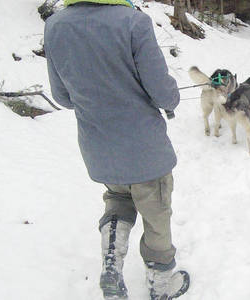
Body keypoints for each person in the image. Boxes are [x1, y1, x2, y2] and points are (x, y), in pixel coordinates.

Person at [44, 1, 187, 299]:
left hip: (98, 146)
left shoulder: (55, 26)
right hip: (144, 149)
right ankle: (160, 286)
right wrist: (171, 99)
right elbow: (161, 91)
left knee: (118, 199)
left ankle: (111, 263)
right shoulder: (134, 22)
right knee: (156, 211)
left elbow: (63, 97)